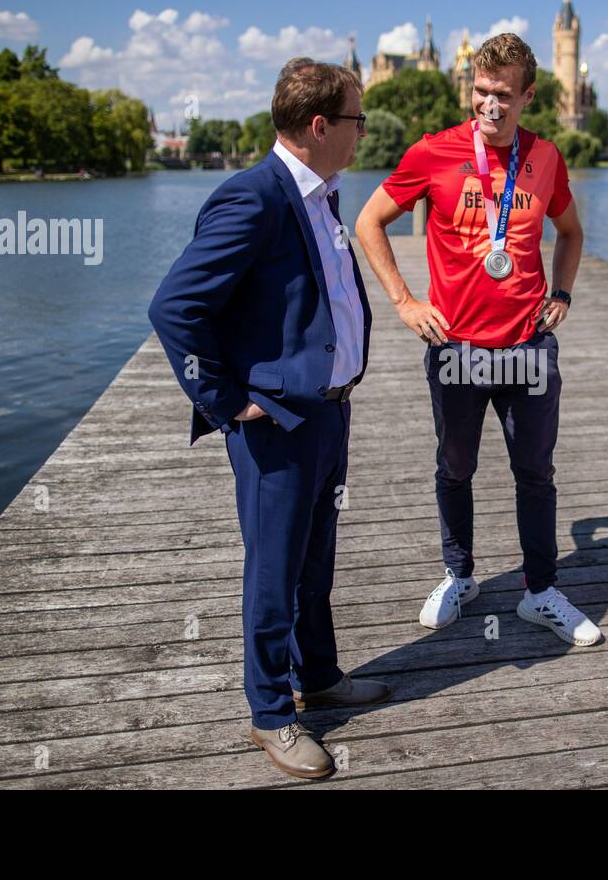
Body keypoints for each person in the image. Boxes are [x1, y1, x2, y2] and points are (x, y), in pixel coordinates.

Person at [148, 58, 389, 780]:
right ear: (320, 126)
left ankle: (318, 675)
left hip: (328, 413)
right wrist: (226, 402)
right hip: (278, 423)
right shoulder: (254, 198)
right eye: (357, 119)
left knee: (316, 563)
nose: (363, 132)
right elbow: (173, 308)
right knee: (275, 570)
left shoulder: (321, 192)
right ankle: (270, 713)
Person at [354, 33, 601, 646]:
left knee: (535, 472)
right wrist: (406, 303)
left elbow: (570, 232)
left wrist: (562, 294)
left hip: (526, 347)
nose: (490, 106)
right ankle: (459, 575)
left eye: (504, 96)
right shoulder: (433, 153)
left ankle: (539, 592)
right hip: (457, 346)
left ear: (528, 97)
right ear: (472, 88)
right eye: (481, 92)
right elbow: (368, 222)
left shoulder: (545, 159)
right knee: (455, 468)